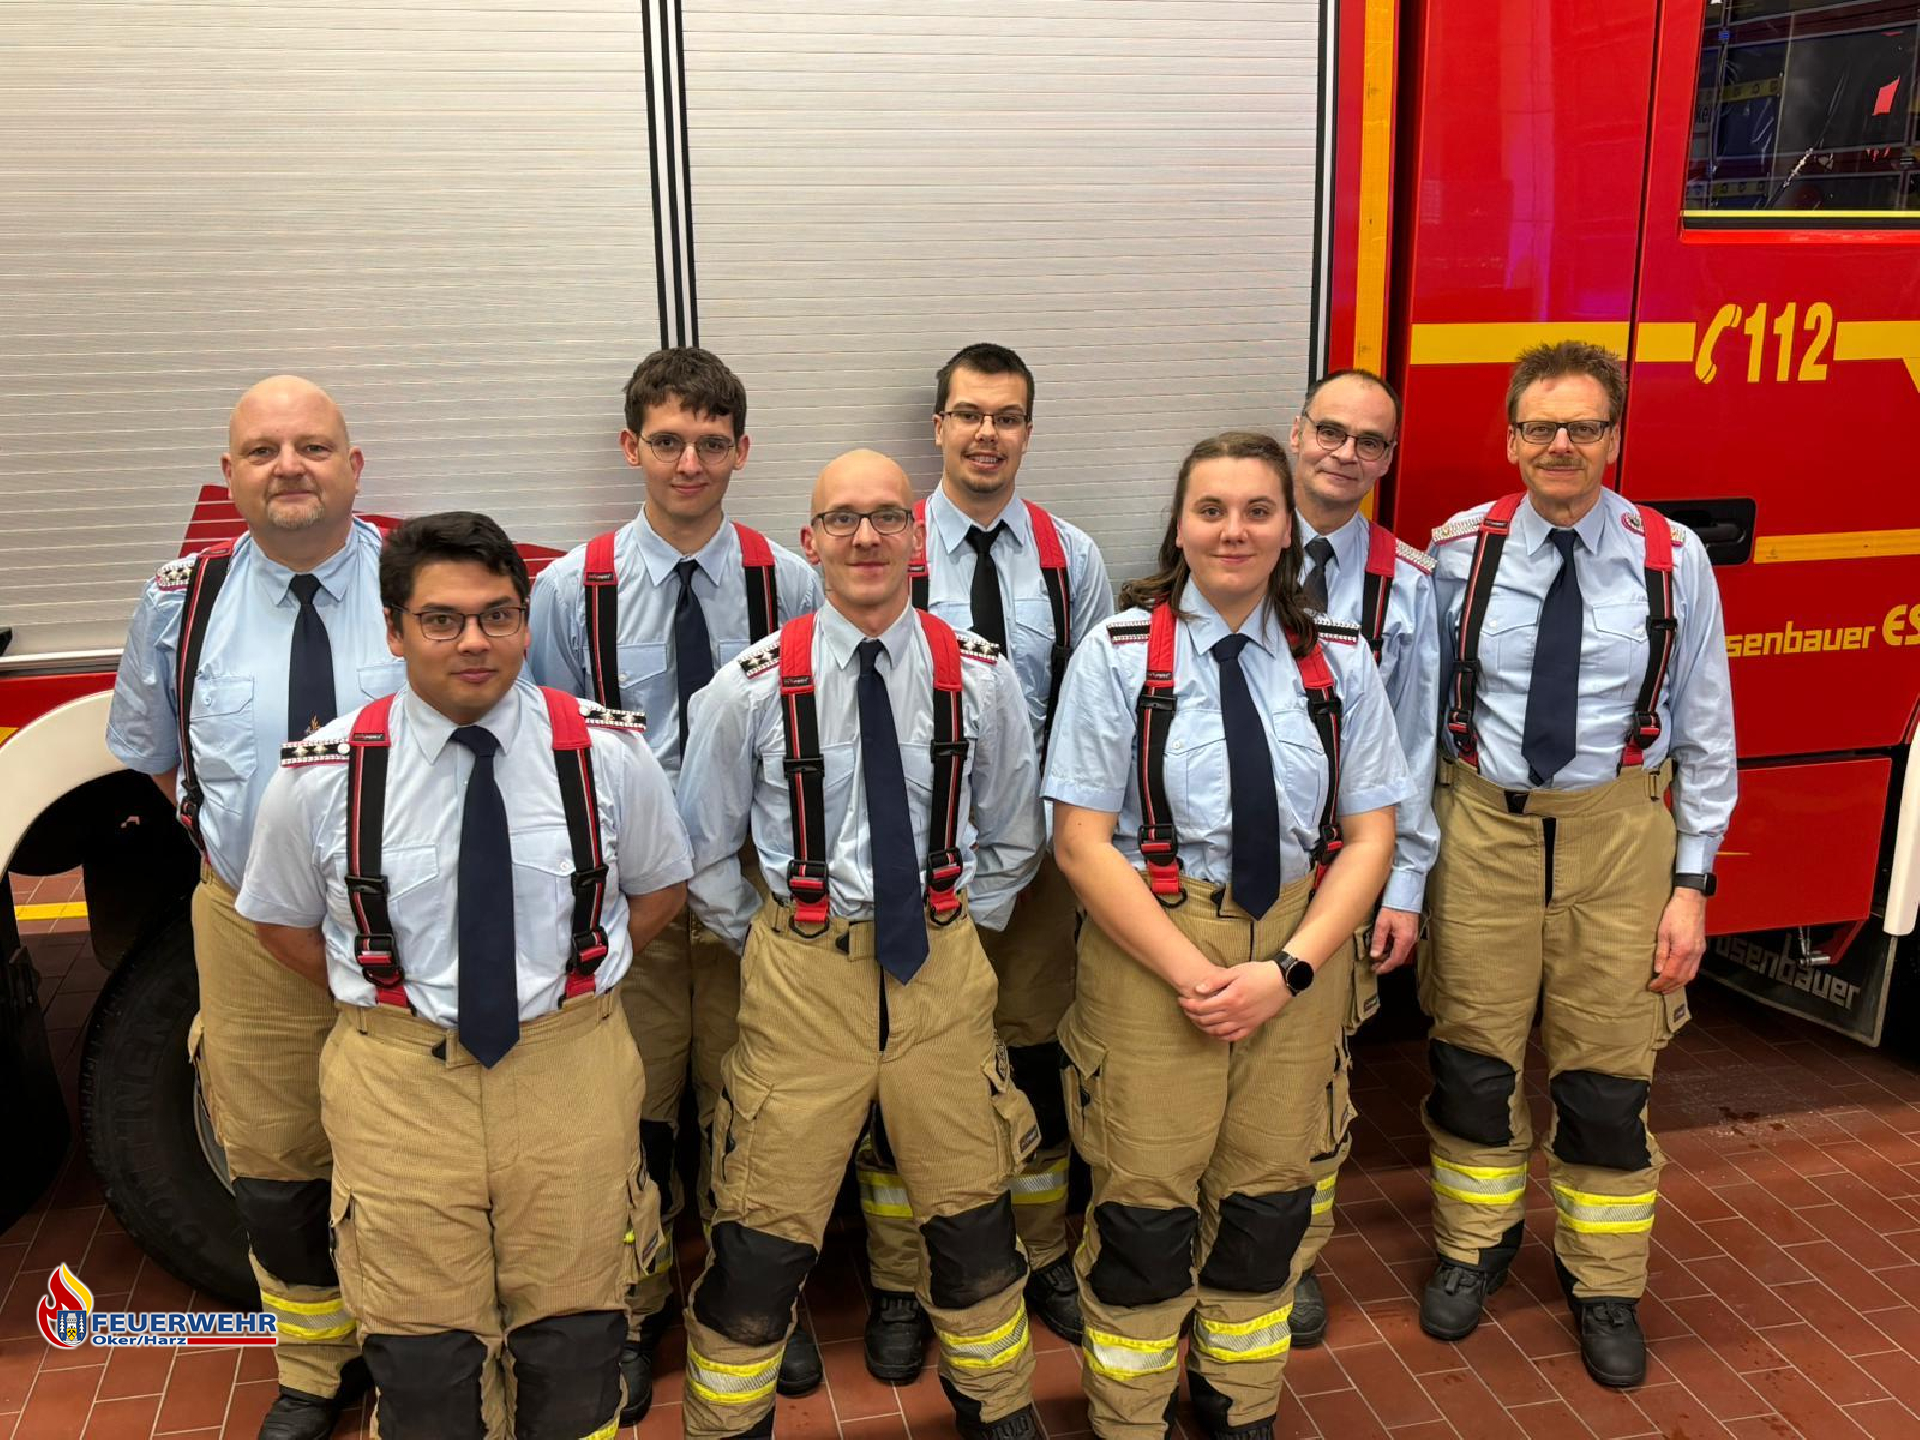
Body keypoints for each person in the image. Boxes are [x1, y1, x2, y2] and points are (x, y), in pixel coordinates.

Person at [236, 512, 691, 1439]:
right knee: (424, 1366)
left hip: (570, 1073)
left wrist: (569, 990)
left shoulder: (607, 754)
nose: (474, 641)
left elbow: (658, 891)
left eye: (498, 615)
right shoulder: (323, 776)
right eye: (441, 620)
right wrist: (386, 1011)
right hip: (398, 1090)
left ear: (525, 622)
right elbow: (281, 924)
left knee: (576, 1348)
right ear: (394, 630)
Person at [675, 450, 1047, 1440]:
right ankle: (727, 1424)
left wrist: (955, 928)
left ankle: (996, 1405)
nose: (867, 536)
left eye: (886, 516)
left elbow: (1015, 834)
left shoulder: (983, 678)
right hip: (802, 982)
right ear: (811, 542)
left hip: (942, 975)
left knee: (974, 1224)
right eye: (842, 519)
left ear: (917, 536)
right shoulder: (747, 690)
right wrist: (770, 944)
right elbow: (699, 850)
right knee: (758, 1242)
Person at [1046, 431, 1408, 1440]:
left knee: (1268, 1205)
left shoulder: (1342, 662)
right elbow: (1080, 845)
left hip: (1298, 947)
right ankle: (1129, 1417)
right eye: (1211, 510)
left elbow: (1372, 836)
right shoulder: (1117, 657)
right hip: (1154, 950)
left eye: (1257, 510)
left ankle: (1240, 1402)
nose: (1233, 531)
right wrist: (1196, 976)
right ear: (1179, 526)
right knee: (1143, 1211)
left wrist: (1286, 973)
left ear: (1288, 528)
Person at [1420, 341, 1735, 1389]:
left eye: (1584, 427)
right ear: (1511, 439)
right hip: (1481, 831)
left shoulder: (1671, 558)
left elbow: (1707, 728)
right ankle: (1474, 1246)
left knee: (1607, 1077)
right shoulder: (1456, 554)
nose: (1562, 445)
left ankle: (1604, 1282)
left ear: (1615, 438)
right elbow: (1415, 724)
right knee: (1473, 1063)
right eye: (1541, 427)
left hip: (1620, 838)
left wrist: (1692, 885)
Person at [527, 347, 824, 1416]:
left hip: (752, 888)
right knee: (632, 1116)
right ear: (631, 447)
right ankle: (633, 1307)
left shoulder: (790, 583)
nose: (688, 463)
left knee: (758, 1108)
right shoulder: (570, 592)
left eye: (710, 442)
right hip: (634, 901)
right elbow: (548, 751)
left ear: (742, 450)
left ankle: (754, 1306)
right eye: (667, 441)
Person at [105, 375, 401, 1440]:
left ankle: (415, 1351)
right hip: (247, 927)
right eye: (264, 451)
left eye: (313, 447)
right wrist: (245, 856)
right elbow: (157, 758)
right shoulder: (181, 604)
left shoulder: (419, 583)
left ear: (354, 467)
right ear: (229, 474)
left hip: (403, 929)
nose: (290, 468)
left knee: (413, 1152)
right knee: (276, 1164)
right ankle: (317, 1366)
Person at [858, 342, 1113, 1378]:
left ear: (1028, 432)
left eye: (1007, 417)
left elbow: (1097, 708)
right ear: (938, 427)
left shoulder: (1068, 556)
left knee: (1035, 1058)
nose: (986, 435)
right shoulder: (885, 543)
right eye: (968, 414)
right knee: (905, 1068)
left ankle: (1042, 1251)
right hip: (917, 864)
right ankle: (900, 1277)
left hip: (1039, 861)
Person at [1281, 370, 1441, 1348]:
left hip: (1344, 872)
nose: (1346, 454)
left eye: (1369, 441)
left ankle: (1290, 1259)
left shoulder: (1410, 586)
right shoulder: (1227, 543)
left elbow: (1416, 750)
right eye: (1331, 431)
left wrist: (1404, 885)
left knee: (1313, 1077)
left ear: (1387, 459)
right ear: (1297, 434)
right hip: (1220, 869)